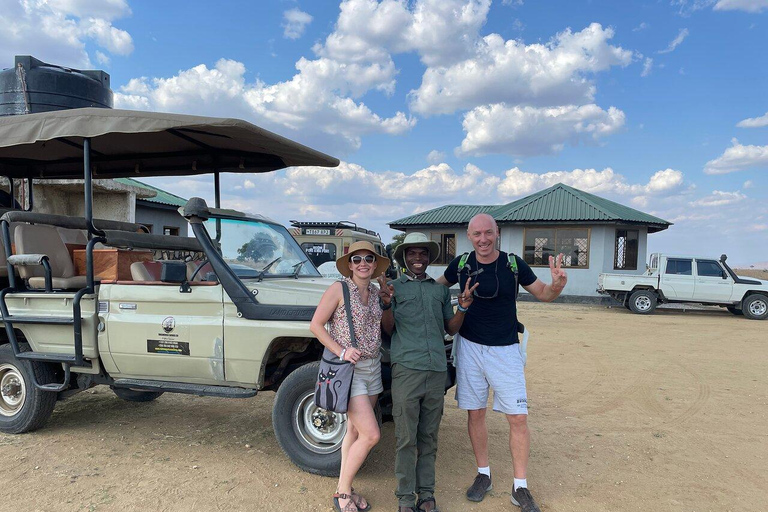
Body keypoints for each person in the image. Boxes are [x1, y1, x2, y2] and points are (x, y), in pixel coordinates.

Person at [436, 213, 567, 512]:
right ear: (468, 236)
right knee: (475, 413)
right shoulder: (461, 264)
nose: (483, 239)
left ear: (497, 233)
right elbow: (434, 288)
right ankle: (484, 475)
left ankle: (519, 486)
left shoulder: (513, 264)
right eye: (476, 234)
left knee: (518, 418)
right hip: (469, 347)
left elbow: (544, 294)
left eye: (488, 233)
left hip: (506, 350)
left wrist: (557, 284)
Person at [378, 232, 478, 512]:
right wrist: (386, 304)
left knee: (429, 438)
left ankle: (427, 494)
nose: (418, 258)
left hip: (435, 370)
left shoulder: (439, 291)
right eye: (412, 253)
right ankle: (405, 498)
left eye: (423, 254)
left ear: (428, 258)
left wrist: (464, 308)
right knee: (406, 438)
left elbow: (451, 328)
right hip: (407, 370)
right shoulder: (394, 288)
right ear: (404, 258)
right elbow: (389, 329)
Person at [310, 241, 391, 512]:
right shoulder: (338, 288)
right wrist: (341, 350)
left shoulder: (378, 292)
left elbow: (383, 325)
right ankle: (343, 493)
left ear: (375, 263)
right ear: (349, 265)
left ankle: (344, 486)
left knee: (354, 431)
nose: (363, 263)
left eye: (368, 258)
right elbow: (316, 325)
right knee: (371, 434)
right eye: (357, 260)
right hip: (349, 370)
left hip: (372, 367)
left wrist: (387, 303)